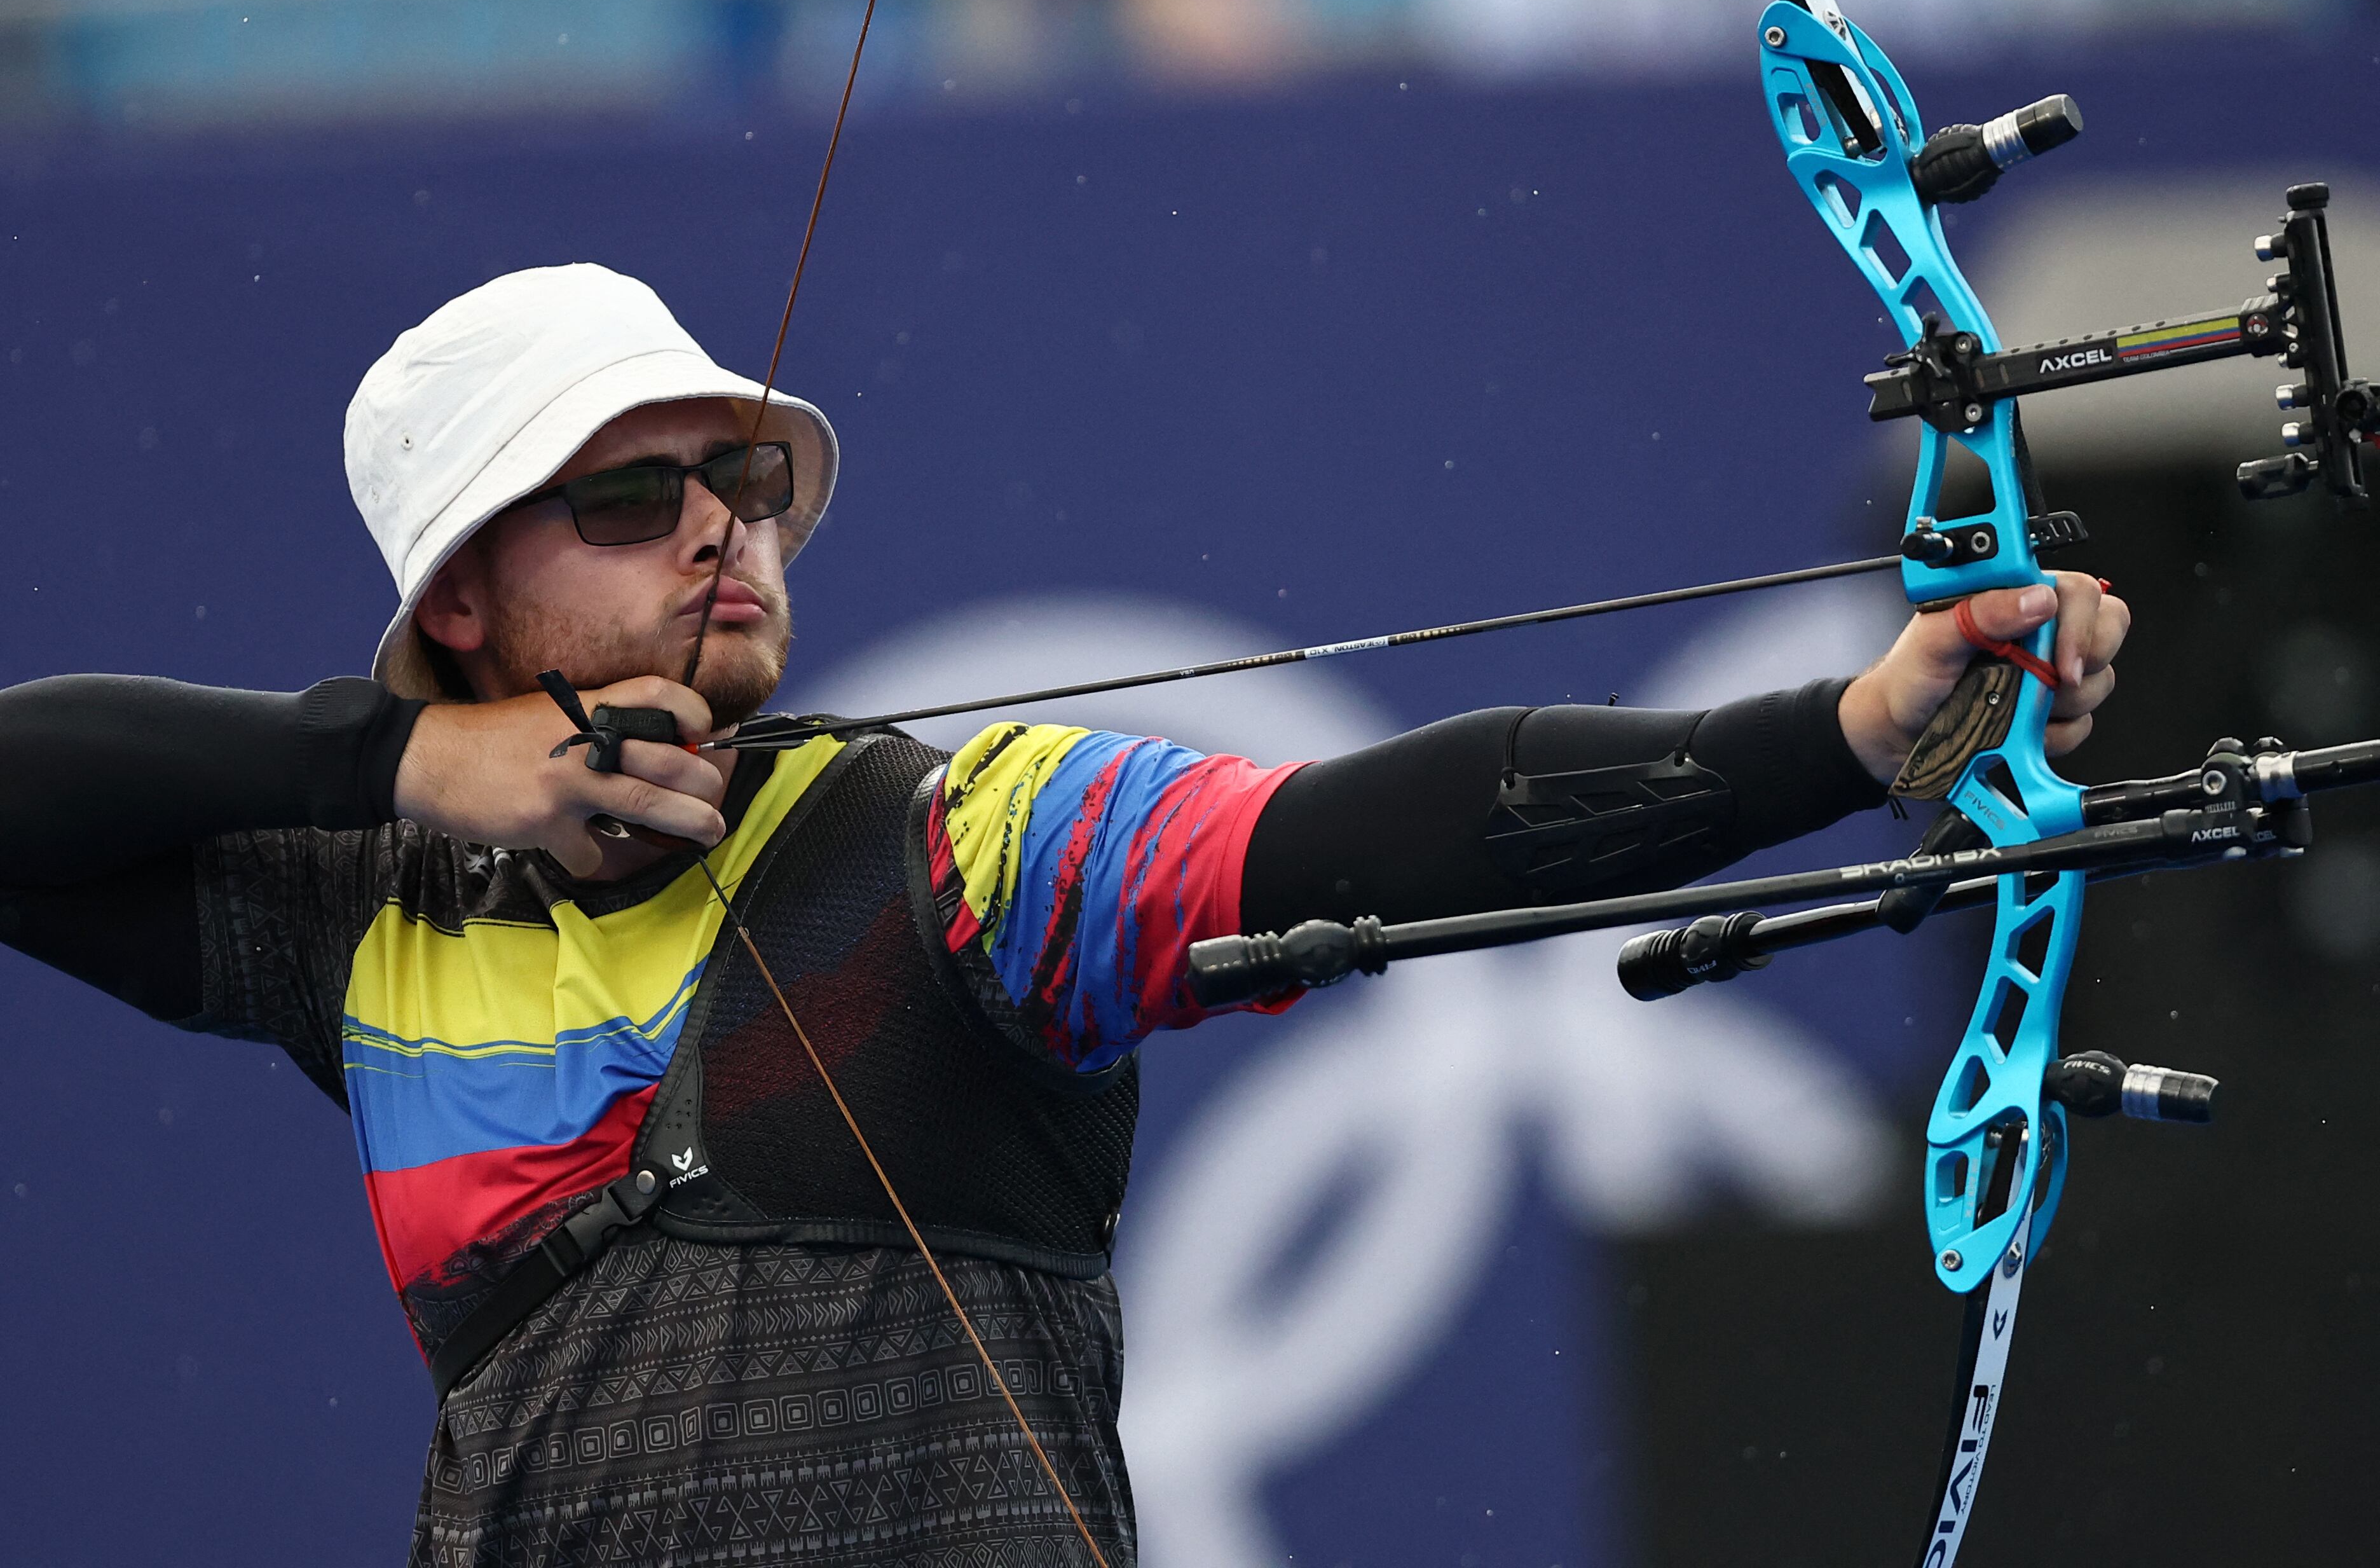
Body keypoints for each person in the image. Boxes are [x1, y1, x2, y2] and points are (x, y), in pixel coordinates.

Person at [0, 263, 2126, 1565]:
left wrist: (1845, 732)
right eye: (632, 499)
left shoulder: (955, 843)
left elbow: (1382, 834)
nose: (718, 534)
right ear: (459, 597)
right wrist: (388, 768)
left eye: (735, 484)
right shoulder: (370, 921)